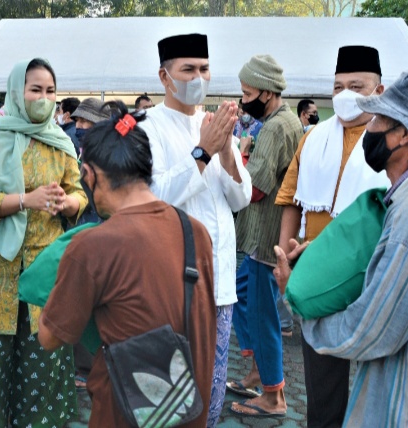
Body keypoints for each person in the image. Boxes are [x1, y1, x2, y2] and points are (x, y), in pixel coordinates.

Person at [278, 67, 408, 427]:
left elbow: (369, 331)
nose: (369, 127)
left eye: (378, 118)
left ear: (403, 134)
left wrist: (299, 304)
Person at [38, 101, 217, 427]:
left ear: (89, 175)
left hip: (123, 414)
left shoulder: (92, 245)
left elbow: (49, 337)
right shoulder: (195, 232)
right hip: (188, 411)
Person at [0, 58, 87, 427]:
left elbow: (78, 193)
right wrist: (25, 200)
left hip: (45, 268)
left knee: (43, 360)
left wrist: (68, 203)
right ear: (16, 91)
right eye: (35, 90)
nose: (44, 98)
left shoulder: (60, 142)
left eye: (50, 91)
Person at [137, 33, 252, 427]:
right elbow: (153, 197)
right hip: (171, 283)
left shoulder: (214, 125)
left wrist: (226, 152)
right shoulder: (147, 129)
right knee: (169, 393)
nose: (198, 77)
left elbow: (240, 198)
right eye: (188, 69)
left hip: (219, 281)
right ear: (164, 77)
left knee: (210, 392)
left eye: (204, 68)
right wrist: (202, 152)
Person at [274, 45, 390, 427]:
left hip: (373, 273)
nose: (345, 95)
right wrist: (284, 261)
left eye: (356, 86)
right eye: (338, 87)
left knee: (378, 377)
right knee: (322, 386)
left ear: (379, 90)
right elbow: (291, 199)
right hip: (318, 275)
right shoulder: (313, 138)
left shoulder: (393, 139)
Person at [228, 55, 303, 418]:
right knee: (243, 294)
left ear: (267, 92)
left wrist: (236, 156)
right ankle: (259, 369)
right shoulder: (284, 121)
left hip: (265, 237)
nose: (244, 101)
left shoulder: (274, 129)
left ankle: (274, 396)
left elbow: (254, 188)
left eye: (247, 94)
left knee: (262, 314)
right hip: (266, 234)